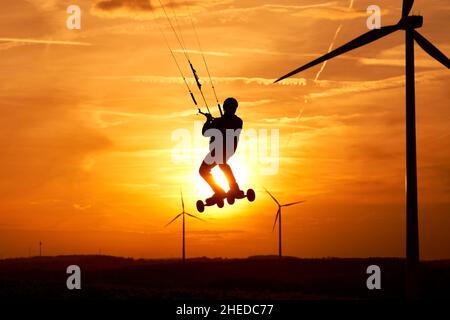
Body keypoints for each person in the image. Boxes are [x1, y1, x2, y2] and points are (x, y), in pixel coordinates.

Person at [199, 97, 244, 202]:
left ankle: (231, 189)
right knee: (204, 170)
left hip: (224, 148)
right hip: (219, 150)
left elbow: (207, 131)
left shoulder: (235, 121)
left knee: (221, 164)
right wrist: (209, 121)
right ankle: (222, 191)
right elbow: (205, 132)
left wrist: (212, 122)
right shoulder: (223, 121)